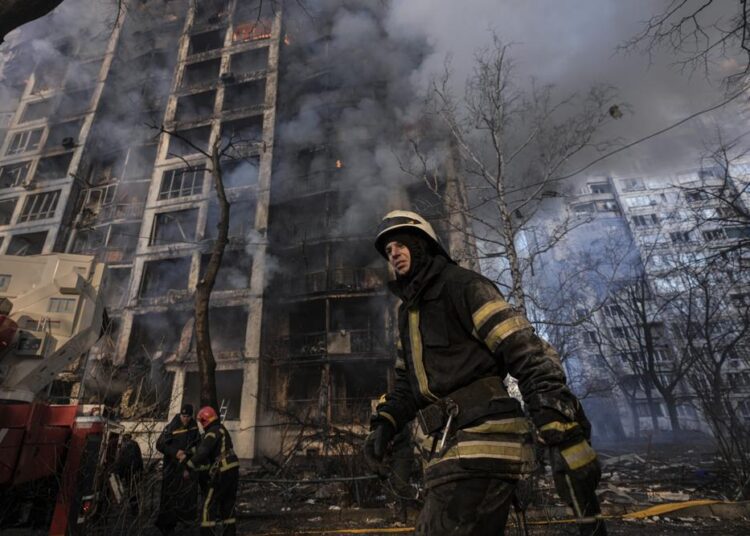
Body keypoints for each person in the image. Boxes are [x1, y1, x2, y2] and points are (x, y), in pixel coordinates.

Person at [364, 210, 606, 535]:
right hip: (447, 451)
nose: (392, 253)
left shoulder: (463, 286)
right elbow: (410, 385)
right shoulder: (409, 314)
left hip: (484, 442)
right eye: (387, 249)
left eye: (399, 244)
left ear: (422, 244)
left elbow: (525, 351)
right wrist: (386, 422)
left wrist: (560, 427)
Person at [179, 405, 239, 536]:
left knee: (209, 504)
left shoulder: (212, 431)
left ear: (205, 421)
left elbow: (202, 452)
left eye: (201, 422)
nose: (200, 425)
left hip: (223, 470)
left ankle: (207, 533)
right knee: (227, 504)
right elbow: (205, 449)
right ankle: (229, 533)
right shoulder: (221, 429)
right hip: (232, 468)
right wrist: (189, 452)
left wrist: (187, 466)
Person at [155, 404, 200, 535]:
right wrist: (175, 452)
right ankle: (166, 525)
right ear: (180, 415)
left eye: (188, 417)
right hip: (171, 469)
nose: (185, 419)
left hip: (186, 467)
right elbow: (160, 444)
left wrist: (188, 456)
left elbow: (197, 445)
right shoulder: (172, 427)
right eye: (183, 416)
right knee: (169, 497)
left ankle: (183, 521)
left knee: (185, 496)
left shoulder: (194, 427)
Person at [113, 433, 143, 516]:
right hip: (134, 471)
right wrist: (141, 471)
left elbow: (121, 460)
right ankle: (134, 509)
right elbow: (139, 458)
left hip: (127, 471)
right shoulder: (135, 444)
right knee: (133, 490)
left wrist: (118, 473)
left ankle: (131, 508)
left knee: (127, 490)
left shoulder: (123, 446)